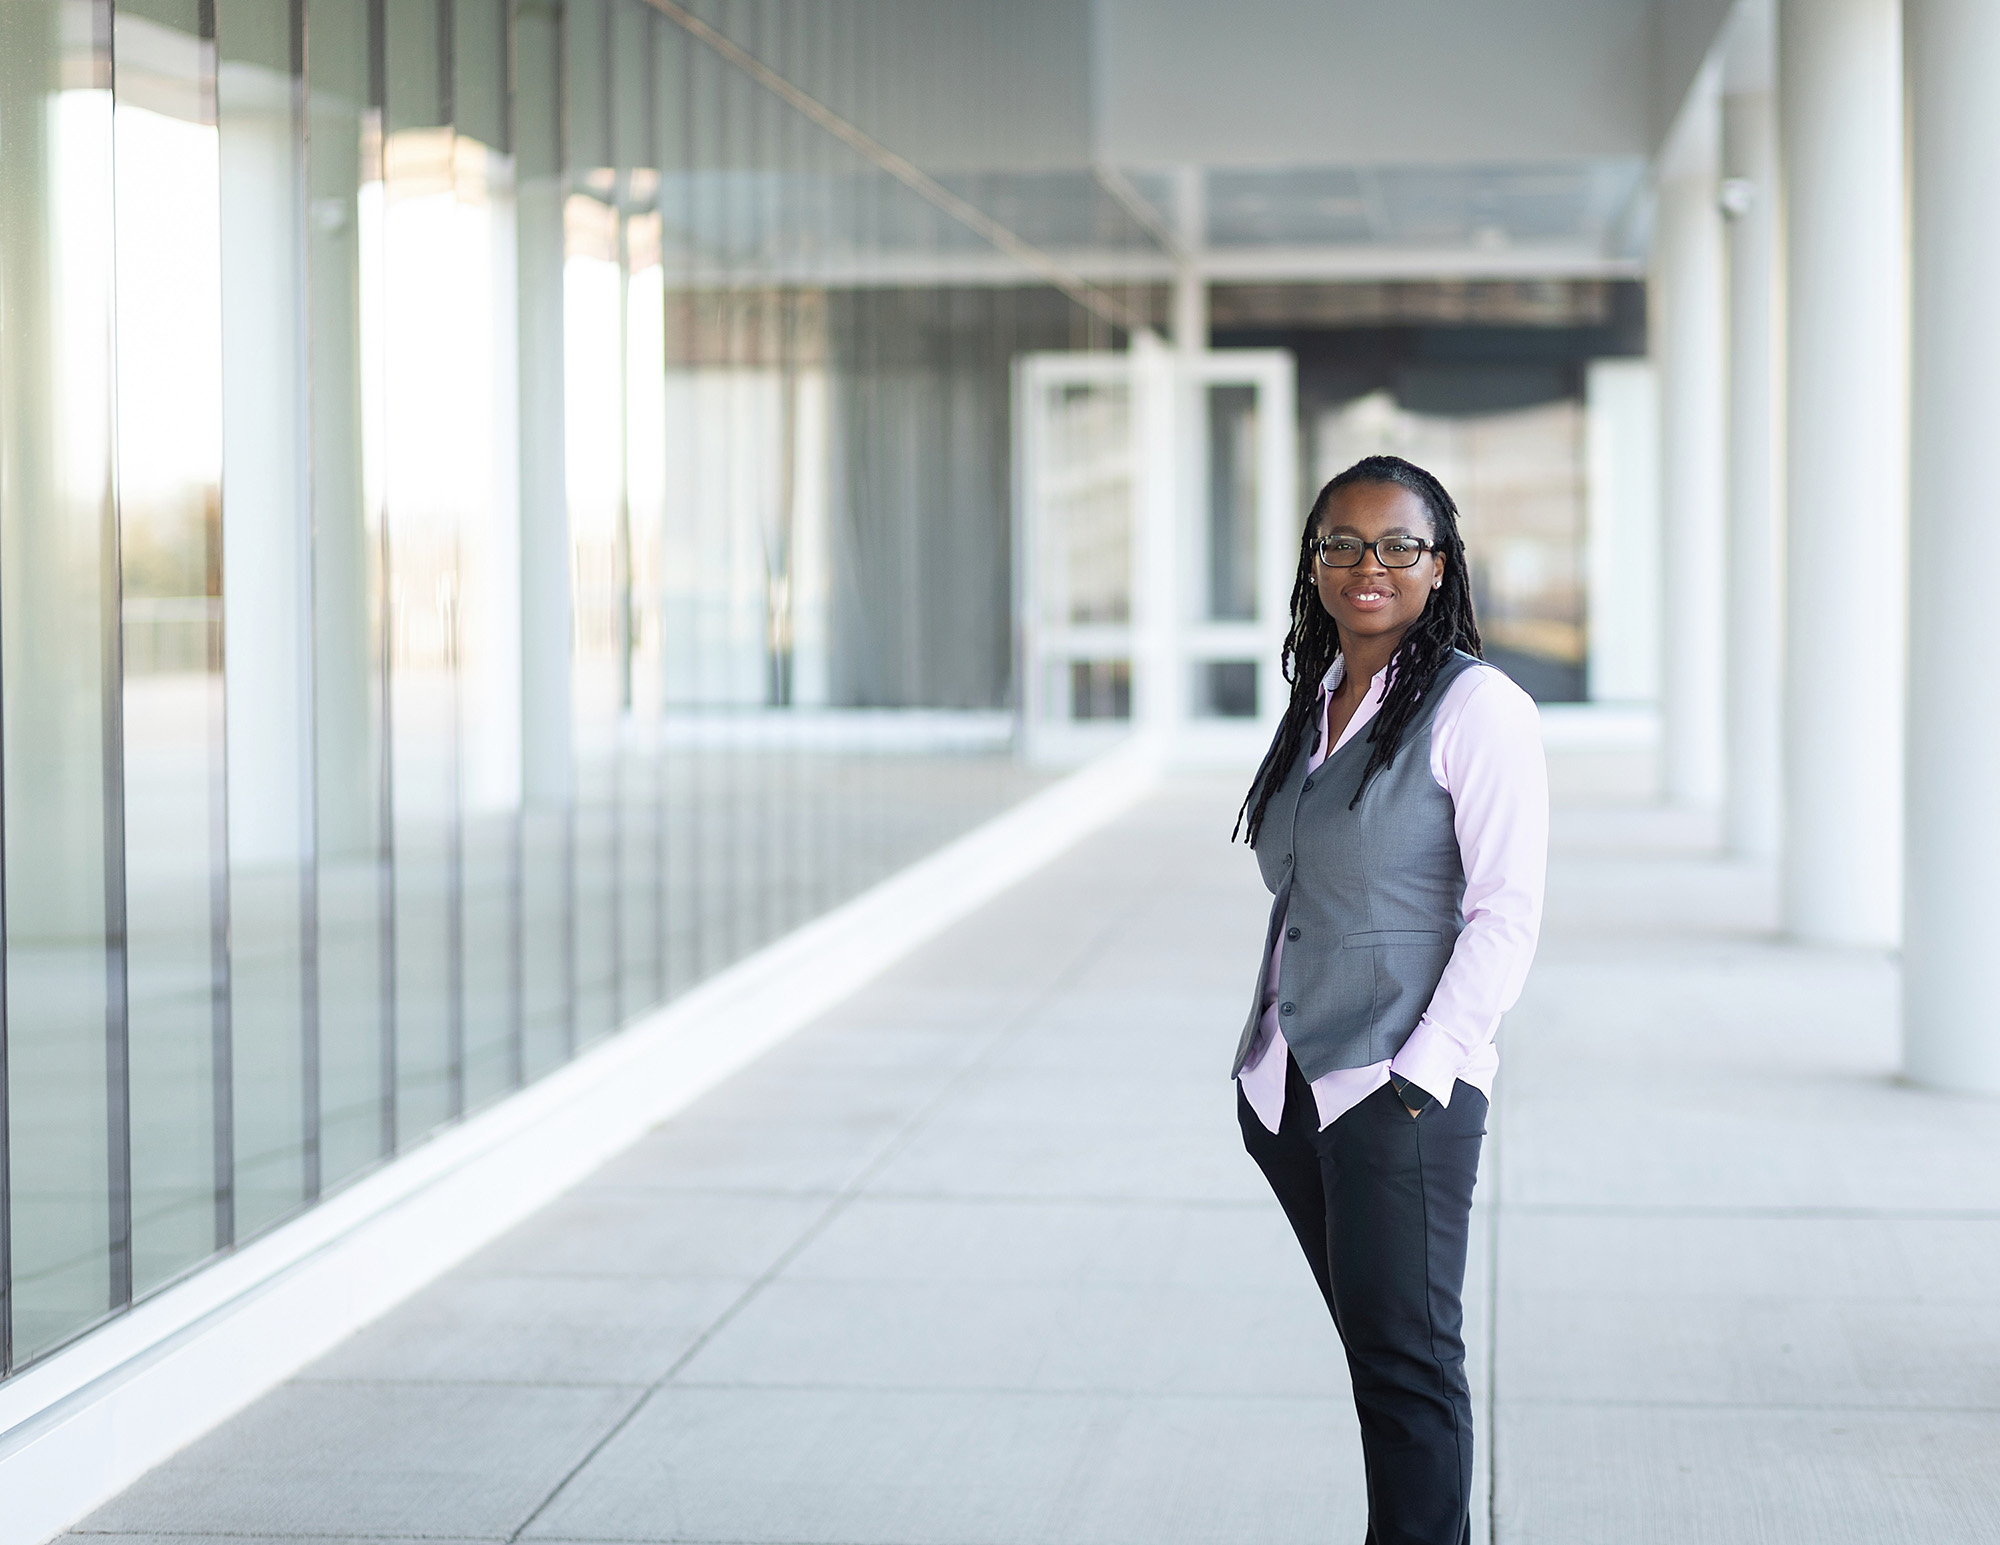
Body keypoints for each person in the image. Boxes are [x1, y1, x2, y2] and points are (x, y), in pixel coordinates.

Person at [1232, 454, 1547, 1545]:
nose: (1366, 566)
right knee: (1382, 1368)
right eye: (1340, 544)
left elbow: (1504, 913)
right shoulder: (1319, 696)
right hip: (1292, 1094)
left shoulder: (1477, 709)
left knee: (1410, 1379)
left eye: (1395, 546)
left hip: (1396, 1094)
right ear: (1312, 564)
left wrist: (1422, 1074)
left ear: (1438, 564)